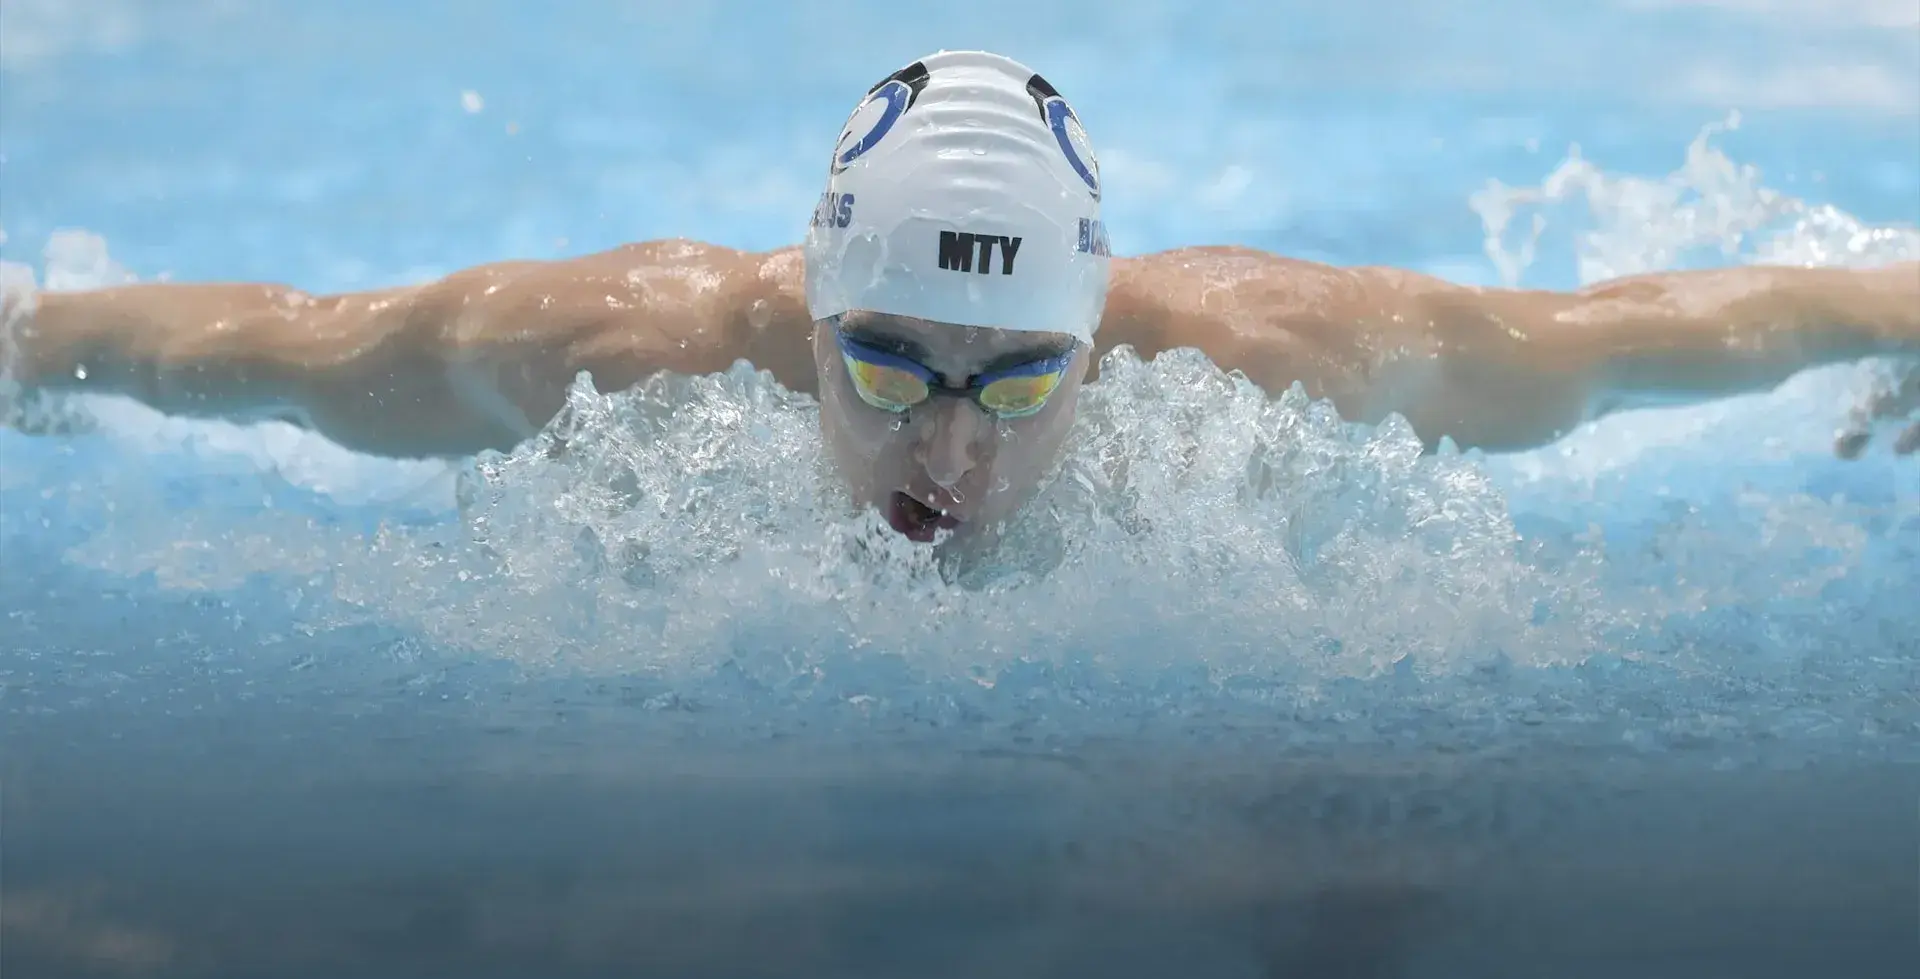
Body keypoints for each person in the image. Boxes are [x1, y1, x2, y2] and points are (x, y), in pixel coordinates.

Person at [3, 50, 1916, 542]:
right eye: (890, 361)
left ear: (1098, 342)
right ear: (806, 315)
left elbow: (1646, 336)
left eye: (1015, 383)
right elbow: (263, 347)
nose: (942, 442)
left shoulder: (1266, 360)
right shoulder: (602, 357)